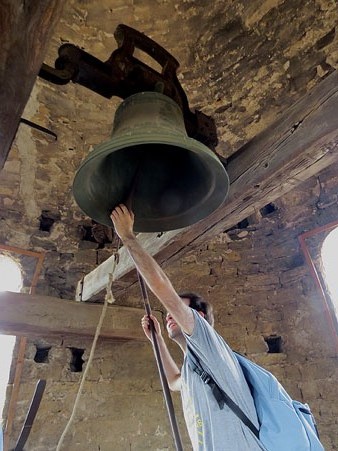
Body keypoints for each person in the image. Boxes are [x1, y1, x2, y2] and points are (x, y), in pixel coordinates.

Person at [110, 204, 264, 451]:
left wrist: (128, 237)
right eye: (171, 313)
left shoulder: (210, 346)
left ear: (199, 317)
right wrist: (157, 339)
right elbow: (174, 381)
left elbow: (162, 287)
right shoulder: (196, 368)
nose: (170, 315)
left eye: (177, 311)